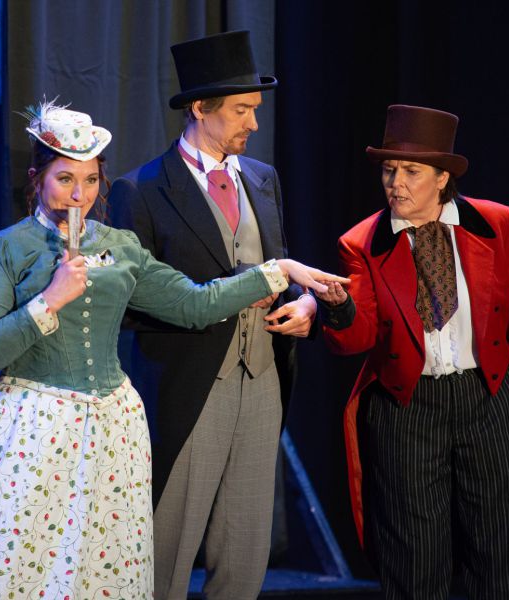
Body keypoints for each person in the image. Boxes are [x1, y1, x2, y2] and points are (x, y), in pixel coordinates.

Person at [0, 100, 347, 600]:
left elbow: (194, 303)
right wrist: (48, 300)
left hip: (111, 429)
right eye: (65, 180)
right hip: (31, 428)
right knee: (26, 573)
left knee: (103, 573)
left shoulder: (121, 246)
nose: (79, 195)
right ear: (36, 180)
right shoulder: (2, 249)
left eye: (90, 180)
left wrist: (277, 271)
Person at [108, 30, 316, 600]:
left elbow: (279, 266)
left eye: (255, 110)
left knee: (245, 547)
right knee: (168, 548)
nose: (254, 123)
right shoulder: (142, 190)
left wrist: (304, 306)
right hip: (191, 380)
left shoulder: (263, 180)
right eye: (241, 110)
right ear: (200, 108)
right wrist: (223, 295)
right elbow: (129, 304)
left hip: (263, 376)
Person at [318, 105, 509, 599]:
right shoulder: (361, 243)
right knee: (415, 558)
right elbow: (357, 338)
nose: (396, 184)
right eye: (389, 170)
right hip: (407, 408)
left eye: (411, 171)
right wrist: (339, 310)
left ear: (442, 177)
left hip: (486, 398)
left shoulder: (495, 223)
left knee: (498, 554)